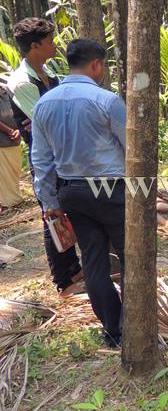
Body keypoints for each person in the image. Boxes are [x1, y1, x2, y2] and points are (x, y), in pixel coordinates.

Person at [31, 39, 125, 347]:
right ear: (96, 64)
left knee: (94, 262)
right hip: (112, 191)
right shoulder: (106, 100)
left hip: (72, 192)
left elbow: (41, 160)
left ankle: (113, 330)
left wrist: (49, 202)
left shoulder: (43, 104)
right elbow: (132, 149)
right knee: (131, 257)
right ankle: (137, 324)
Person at [6, 17, 82, 294]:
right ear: (35, 46)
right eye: (50, 42)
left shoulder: (48, 73)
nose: (55, 45)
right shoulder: (24, 82)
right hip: (46, 160)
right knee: (53, 215)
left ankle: (74, 269)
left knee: (66, 213)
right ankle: (63, 280)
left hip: (64, 156)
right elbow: (48, 119)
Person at [0, 85, 22, 211]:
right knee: (4, 172)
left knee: (14, 169)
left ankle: (13, 198)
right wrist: (10, 131)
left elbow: (19, 110)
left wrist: (18, 130)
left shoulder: (6, 89)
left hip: (15, 136)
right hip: (2, 139)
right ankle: (9, 201)